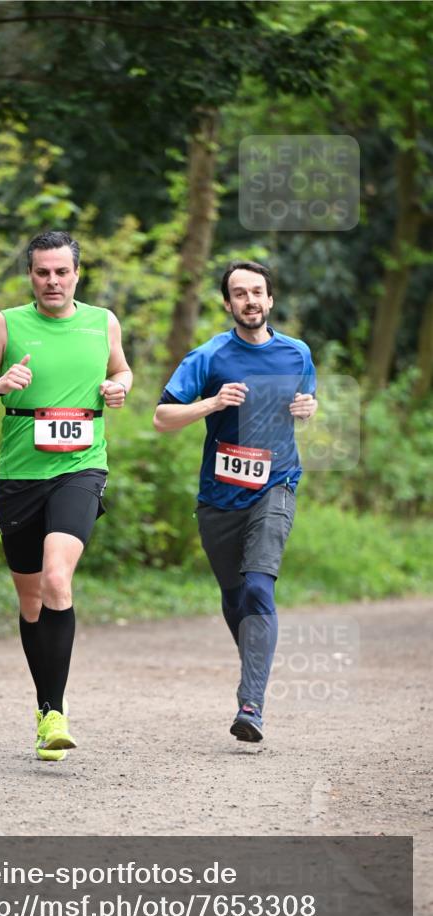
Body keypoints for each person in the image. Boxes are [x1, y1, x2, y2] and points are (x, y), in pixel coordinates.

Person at [0, 231, 132, 761]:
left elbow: (120, 366)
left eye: (61, 272)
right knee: (31, 599)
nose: (52, 281)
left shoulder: (103, 322)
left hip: (81, 467)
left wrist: (120, 385)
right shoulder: (6, 324)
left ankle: (56, 714)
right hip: (20, 476)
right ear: (30, 275)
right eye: (41, 272)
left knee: (58, 577)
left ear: (77, 274)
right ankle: (44, 706)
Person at [153, 261, 317, 742]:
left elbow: (303, 403)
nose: (250, 300)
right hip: (220, 498)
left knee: (259, 585)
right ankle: (256, 667)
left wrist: (310, 408)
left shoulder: (297, 353)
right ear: (228, 304)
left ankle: (252, 704)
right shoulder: (209, 356)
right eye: (239, 293)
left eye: (258, 292)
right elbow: (163, 417)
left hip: (277, 485)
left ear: (270, 300)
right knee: (235, 597)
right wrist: (212, 403)